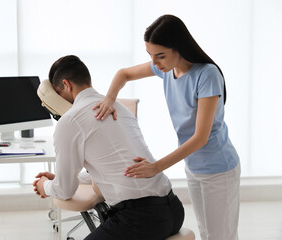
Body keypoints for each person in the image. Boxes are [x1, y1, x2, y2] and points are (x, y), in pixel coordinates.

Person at [93, 15, 240, 240]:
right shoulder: (166, 70)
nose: (155, 62)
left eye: (160, 56)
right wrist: (110, 98)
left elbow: (201, 137)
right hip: (194, 166)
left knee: (221, 236)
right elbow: (123, 74)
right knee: (206, 232)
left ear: (179, 47)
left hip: (219, 168)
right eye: (150, 56)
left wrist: (156, 167)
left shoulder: (206, 74)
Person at [33, 55, 184, 240]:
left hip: (141, 219)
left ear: (66, 85)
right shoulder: (119, 108)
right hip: (174, 210)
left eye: (58, 92)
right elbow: (112, 165)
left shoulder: (70, 121)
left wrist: (44, 186)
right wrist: (64, 178)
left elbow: (64, 191)